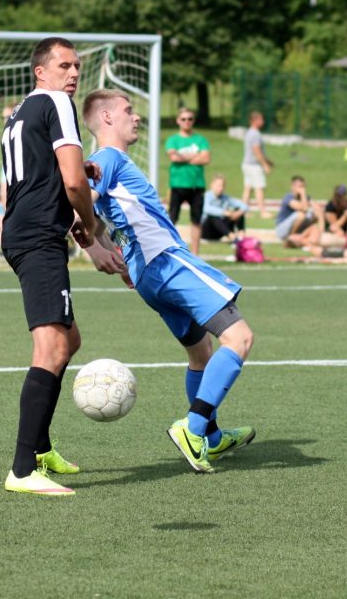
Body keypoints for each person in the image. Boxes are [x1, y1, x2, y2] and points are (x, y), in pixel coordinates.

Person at [82, 88, 255, 475]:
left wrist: (110, 252)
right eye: (128, 110)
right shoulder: (108, 158)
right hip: (166, 262)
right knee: (240, 338)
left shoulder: (105, 162)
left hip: (147, 275)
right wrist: (94, 249)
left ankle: (210, 437)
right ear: (107, 117)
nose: (136, 116)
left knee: (201, 353)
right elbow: (78, 206)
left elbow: (92, 218)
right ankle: (193, 428)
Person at [0, 37, 101, 497]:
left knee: (69, 340)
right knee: (53, 347)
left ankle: (40, 450)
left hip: (23, 228)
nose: (73, 73)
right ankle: (22, 470)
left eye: (77, 66)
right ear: (40, 71)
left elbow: (38, 174)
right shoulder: (58, 103)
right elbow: (73, 180)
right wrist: (90, 226)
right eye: (64, 65)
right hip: (38, 234)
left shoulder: (19, 113)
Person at [165, 107, 210, 254]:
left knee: (196, 220)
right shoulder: (173, 140)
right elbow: (174, 157)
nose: (187, 122)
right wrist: (195, 156)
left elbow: (206, 158)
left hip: (197, 185)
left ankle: (195, 254)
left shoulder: (200, 140)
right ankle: (170, 251)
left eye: (190, 119)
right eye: (183, 119)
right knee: (172, 219)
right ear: (178, 121)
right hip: (178, 184)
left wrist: (183, 157)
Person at [240, 111, 274, 218]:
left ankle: (243, 211)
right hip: (254, 165)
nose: (263, 121)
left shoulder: (250, 132)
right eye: (261, 119)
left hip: (247, 164)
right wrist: (265, 164)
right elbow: (257, 151)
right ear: (254, 121)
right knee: (259, 187)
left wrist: (268, 161)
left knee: (248, 188)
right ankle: (263, 211)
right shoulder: (255, 134)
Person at [275, 175, 322, 247]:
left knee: (314, 215)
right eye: (300, 186)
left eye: (303, 186)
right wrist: (303, 194)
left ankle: (303, 237)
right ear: (293, 186)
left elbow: (318, 209)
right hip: (282, 230)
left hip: (297, 228)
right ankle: (290, 239)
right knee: (301, 215)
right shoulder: (288, 197)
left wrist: (321, 227)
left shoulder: (306, 197)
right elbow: (304, 208)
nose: (302, 189)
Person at [201, 173, 248, 242]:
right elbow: (206, 208)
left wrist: (238, 213)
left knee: (238, 210)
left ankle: (241, 236)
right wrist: (224, 212)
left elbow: (244, 205)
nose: (220, 188)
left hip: (221, 231)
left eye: (222, 186)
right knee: (213, 216)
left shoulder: (226, 198)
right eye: (218, 186)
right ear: (212, 185)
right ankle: (233, 238)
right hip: (207, 231)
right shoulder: (206, 196)